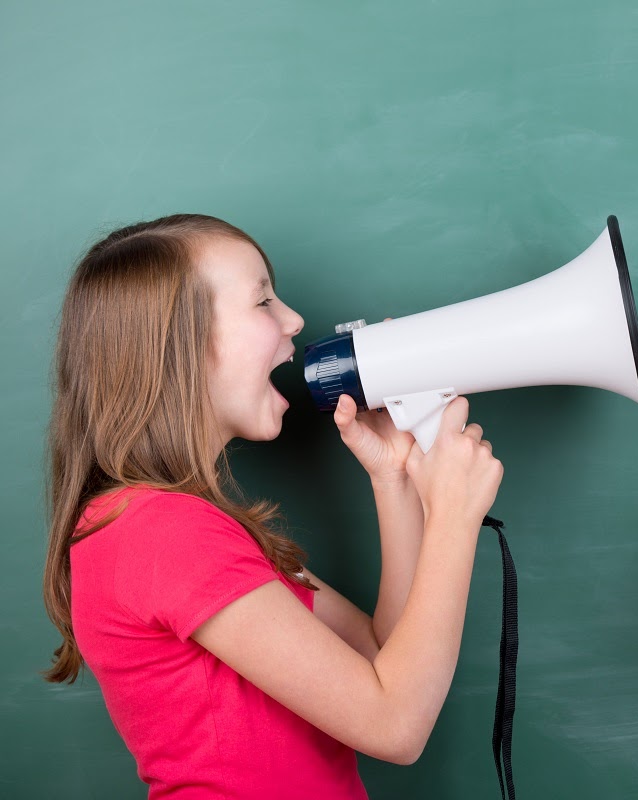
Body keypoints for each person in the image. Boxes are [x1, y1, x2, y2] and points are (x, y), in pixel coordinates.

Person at [42, 214, 504, 799]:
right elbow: (396, 726)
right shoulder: (162, 531)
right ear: (177, 347)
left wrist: (394, 480)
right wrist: (454, 520)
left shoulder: (176, 523)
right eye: (263, 301)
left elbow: (387, 657)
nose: (294, 320)